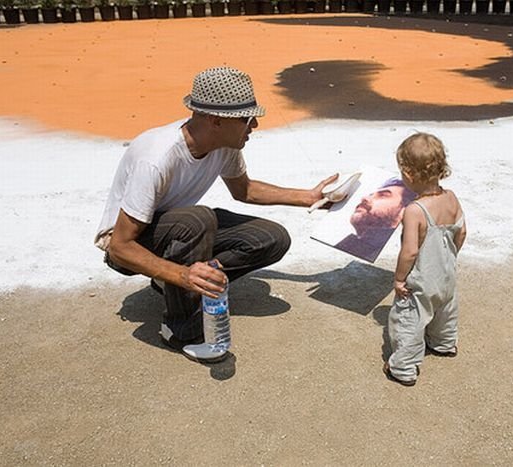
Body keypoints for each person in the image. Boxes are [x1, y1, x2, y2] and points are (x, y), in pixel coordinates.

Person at [94, 67, 338, 361]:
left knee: (272, 238)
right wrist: (182, 275)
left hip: (178, 229)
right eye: (247, 118)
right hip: (129, 243)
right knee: (198, 220)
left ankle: (171, 284)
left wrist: (307, 197)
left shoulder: (224, 143)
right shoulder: (156, 158)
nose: (255, 125)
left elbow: (244, 190)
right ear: (215, 120)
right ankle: (180, 330)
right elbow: (120, 247)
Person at [383, 133, 467, 386]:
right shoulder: (451, 197)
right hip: (446, 273)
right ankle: (444, 343)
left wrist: (399, 279)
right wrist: (449, 257)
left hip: (421, 280)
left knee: (409, 318)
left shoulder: (415, 211)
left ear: (408, 174)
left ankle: (404, 367)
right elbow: (462, 232)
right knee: (445, 309)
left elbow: (409, 251)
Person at [334, 177, 415, 262]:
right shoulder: (355, 247)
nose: (364, 198)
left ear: (403, 212)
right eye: (371, 195)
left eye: (383, 195)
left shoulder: (393, 254)